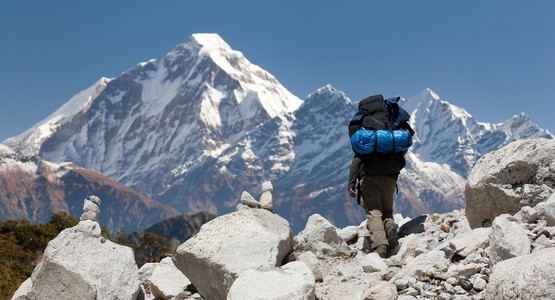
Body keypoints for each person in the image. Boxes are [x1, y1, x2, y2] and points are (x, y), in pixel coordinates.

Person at [347, 95, 414, 258]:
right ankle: (390, 226)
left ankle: (380, 247)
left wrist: (351, 181)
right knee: (387, 211)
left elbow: (358, 158)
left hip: (369, 177)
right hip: (390, 177)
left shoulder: (366, 128)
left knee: (374, 212)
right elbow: (401, 151)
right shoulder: (391, 125)